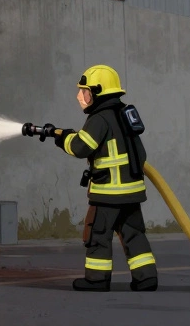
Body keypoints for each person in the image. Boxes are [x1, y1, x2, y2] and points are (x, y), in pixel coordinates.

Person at [50, 64, 158, 292]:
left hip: (108, 193)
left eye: (85, 91)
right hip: (132, 192)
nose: (79, 96)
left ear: (98, 92)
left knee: (97, 234)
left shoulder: (99, 118)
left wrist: (64, 138)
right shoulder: (124, 114)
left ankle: (96, 279)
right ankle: (146, 278)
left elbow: (80, 147)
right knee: (134, 234)